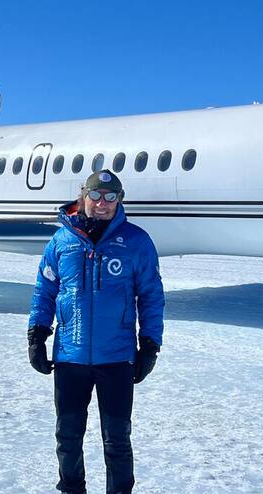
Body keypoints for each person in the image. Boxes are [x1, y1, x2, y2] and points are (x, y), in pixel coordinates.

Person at [28, 170, 165, 494]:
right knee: (68, 435)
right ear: (83, 195)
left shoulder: (136, 241)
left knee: (117, 438)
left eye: (111, 197)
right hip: (70, 357)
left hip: (116, 357)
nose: (102, 203)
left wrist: (150, 343)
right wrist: (37, 333)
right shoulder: (61, 240)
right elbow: (44, 290)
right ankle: (71, 489)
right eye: (96, 195)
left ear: (120, 200)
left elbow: (151, 295)